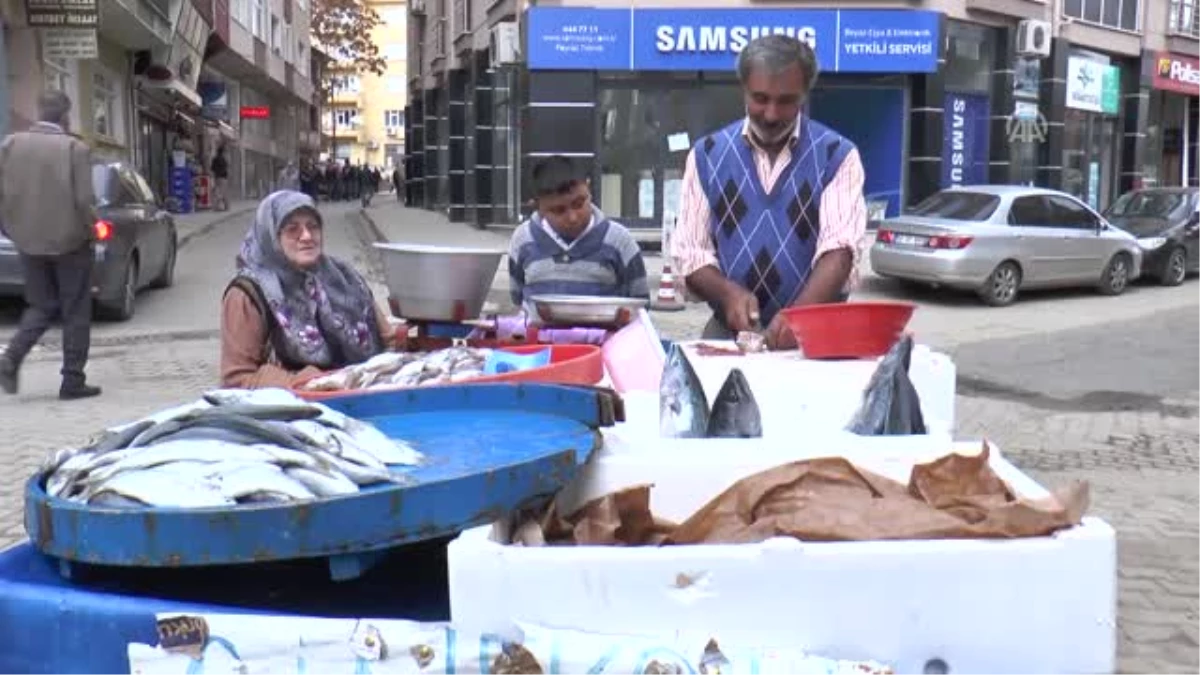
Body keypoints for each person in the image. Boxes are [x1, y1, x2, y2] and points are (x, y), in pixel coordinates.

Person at [671, 34, 867, 350]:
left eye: (786, 100)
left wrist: (799, 316)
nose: (772, 114)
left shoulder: (837, 155)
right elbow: (690, 254)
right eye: (760, 98)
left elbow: (840, 251)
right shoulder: (706, 155)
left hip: (814, 338)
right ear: (743, 90)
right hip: (728, 337)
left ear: (804, 95)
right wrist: (727, 294)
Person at [220, 190, 402, 389]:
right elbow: (237, 378)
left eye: (313, 227)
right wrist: (304, 383)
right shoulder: (248, 294)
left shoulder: (344, 277)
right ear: (271, 236)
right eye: (292, 229)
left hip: (361, 397)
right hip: (293, 412)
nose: (306, 236)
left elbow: (388, 339)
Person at [0, 90, 101, 399]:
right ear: (65, 115)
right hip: (71, 242)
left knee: (40, 306)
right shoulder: (75, 149)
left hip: (28, 240)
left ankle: (10, 358)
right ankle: (72, 380)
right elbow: (84, 200)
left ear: (39, 112)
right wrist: (93, 229)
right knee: (75, 311)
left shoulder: (10, 145)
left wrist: (10, 228)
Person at [507, 155, 649, 315]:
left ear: (588, 189)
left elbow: (640, 306)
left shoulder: (619, 241)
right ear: (537, 207)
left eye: (579, 203)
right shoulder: (523, 240)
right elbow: (517, 297)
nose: (573, 217)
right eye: (558, 210)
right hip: (541, 339)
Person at [211, 145, 230, 211]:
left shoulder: (215, 159)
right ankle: (226, 207)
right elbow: (226, 168)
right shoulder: (224, 159)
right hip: (223, 177)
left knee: (217, 192)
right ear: (223, 152)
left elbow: (212, 168)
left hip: (217, 177)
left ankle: (216, 207)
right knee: (223, 192)